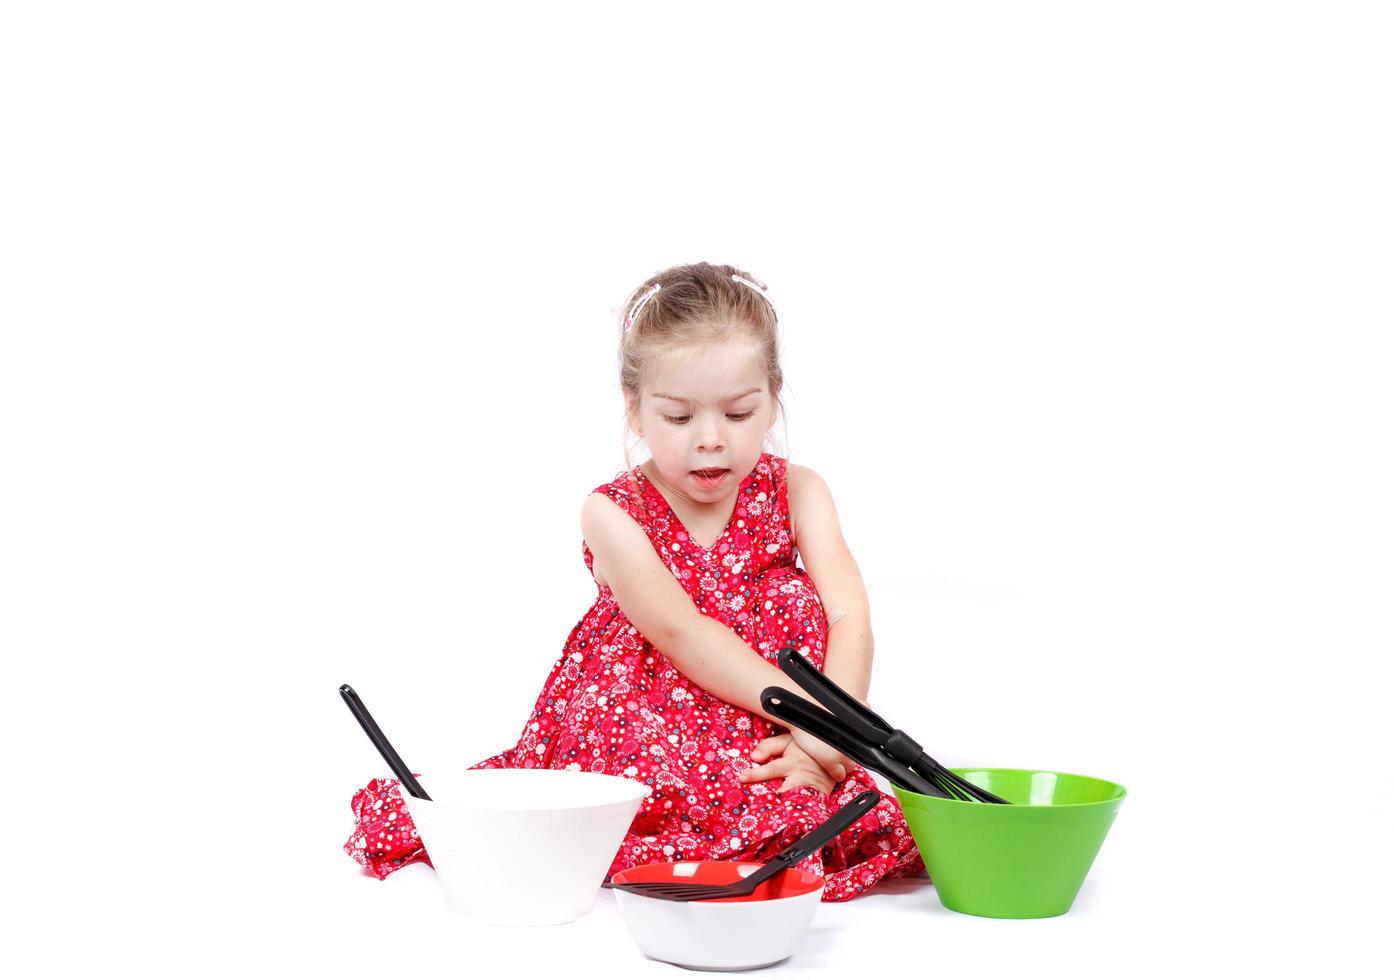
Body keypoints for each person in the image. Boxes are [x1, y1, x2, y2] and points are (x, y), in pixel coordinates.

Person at [344, 261, 925, 900]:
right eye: (678, 417)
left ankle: (779, 794)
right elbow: (683, 631)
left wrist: (826, 742)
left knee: (823, 814)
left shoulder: (799, 491)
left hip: (785, 737)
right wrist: (812, 720)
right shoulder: (614, 512)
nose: (710, 441)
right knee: (639, 794)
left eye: (738, 413)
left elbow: (850, 618)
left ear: (773, 397)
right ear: (636, 409)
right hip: (651, 729)